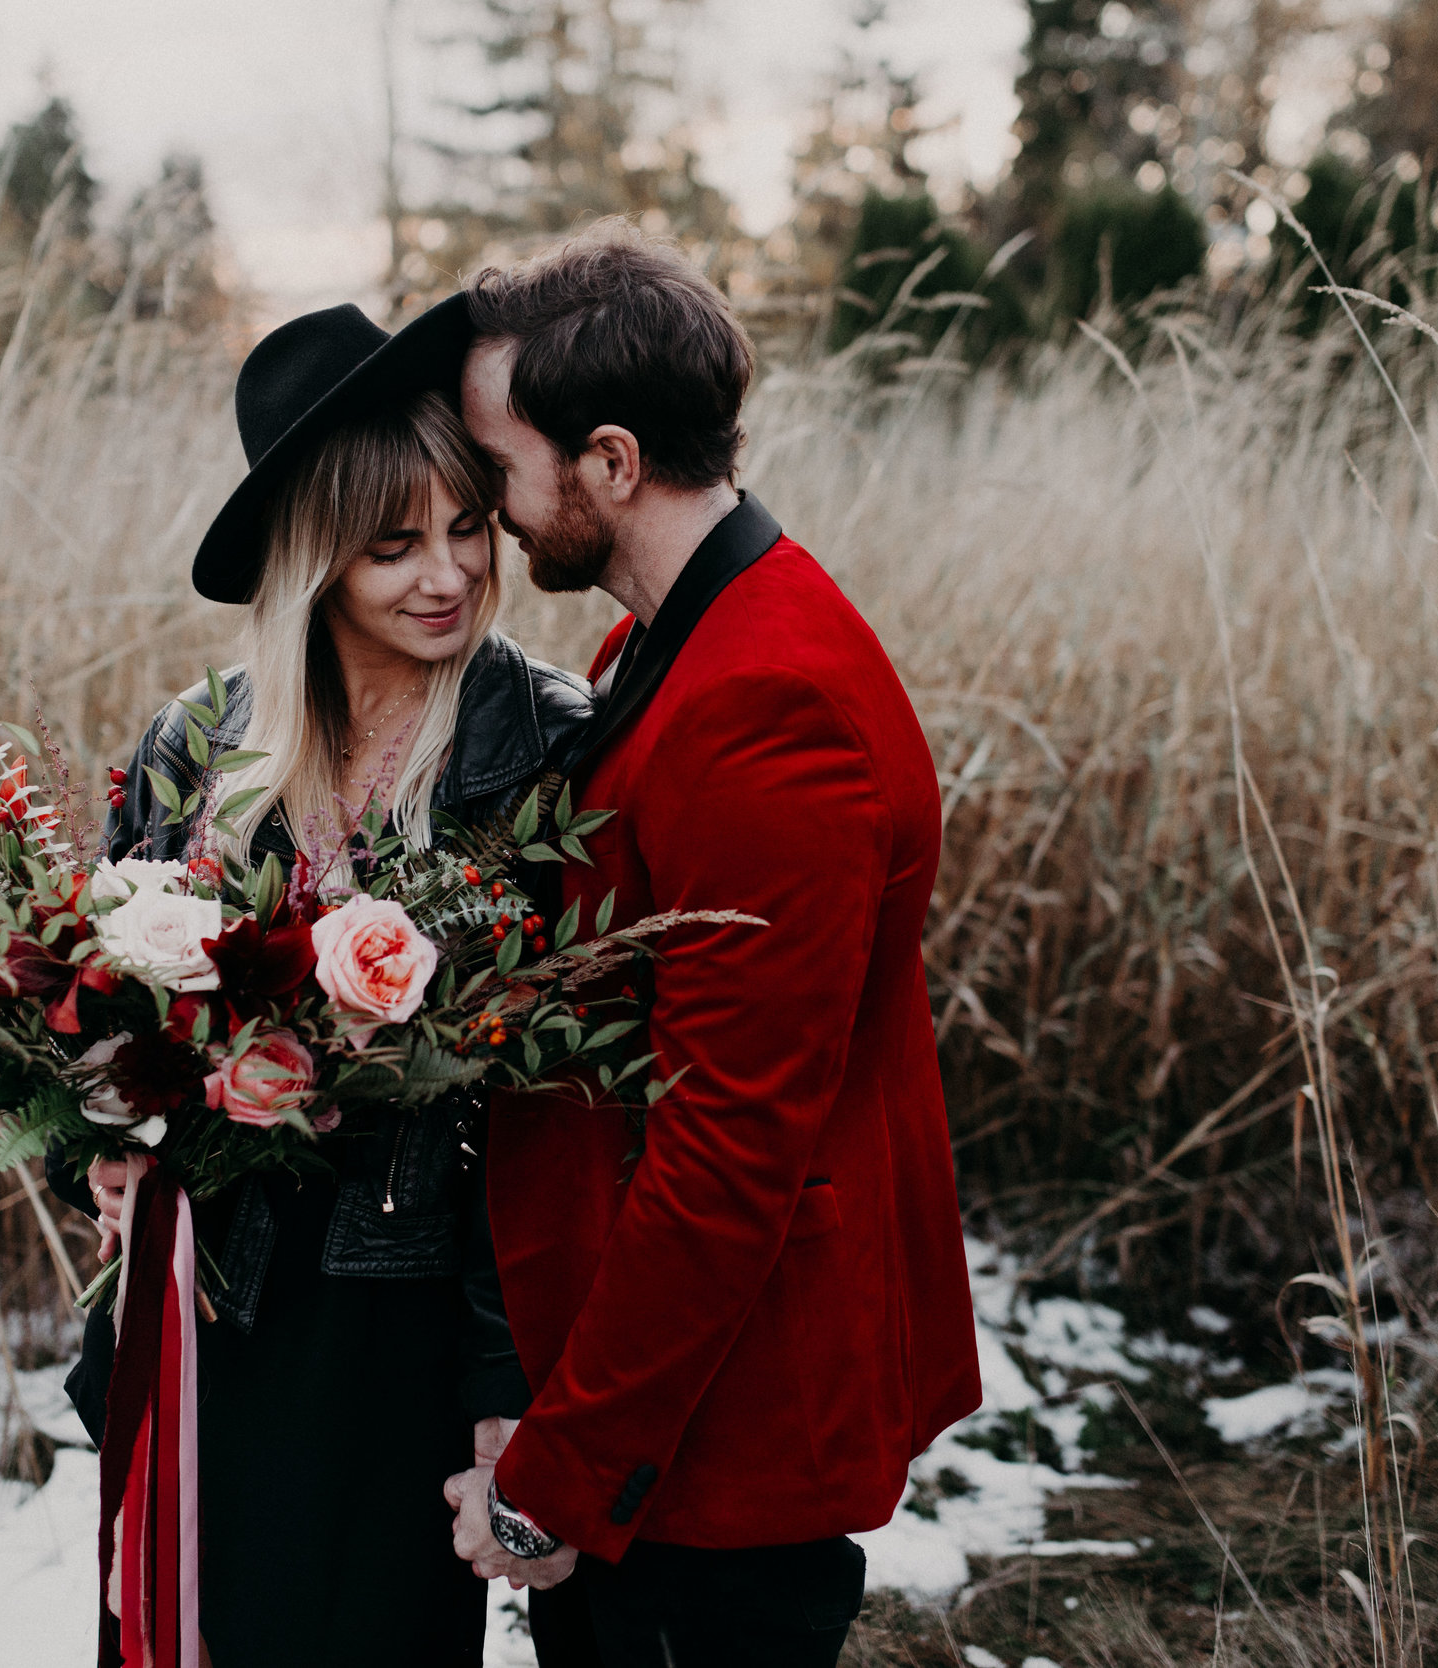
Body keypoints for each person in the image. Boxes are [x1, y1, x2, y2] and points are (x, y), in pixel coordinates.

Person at [441, 227, 986, 1668]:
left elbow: (732, 1144)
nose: (488, 511)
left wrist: (562, 1471)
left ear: (608, 462)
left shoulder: (771, 707)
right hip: (660, 1405)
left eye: (500, 466)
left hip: (723, 1434)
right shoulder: (666, 643)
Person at [45, 295, 595, 1667]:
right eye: (393, 544)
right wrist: (100, 1156)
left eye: (468, 526)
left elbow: (553, 1108)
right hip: (208, 1315)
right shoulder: (196, 749)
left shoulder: (538, 748)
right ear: (312, 562)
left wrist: (502, 1378)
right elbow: (93, 1024)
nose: (450, 575)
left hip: (401, 1336)